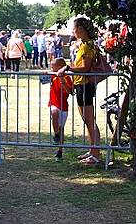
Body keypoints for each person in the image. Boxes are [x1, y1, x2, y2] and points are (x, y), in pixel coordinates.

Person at [57, 17, 101, 165]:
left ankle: (96, 154)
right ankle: (92, 150)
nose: (73, 31)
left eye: (74, 28)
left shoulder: (88, 46)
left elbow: (85, 68)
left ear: (81, 29)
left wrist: (68, 68)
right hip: (80, 85)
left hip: (85, 86)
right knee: (87, 120)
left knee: (90, 120)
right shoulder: (84, 44)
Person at [47, 58, 74, 160]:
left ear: (59, 67)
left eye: (52, 67)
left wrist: (62, 80)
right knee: (54, 113)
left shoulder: (67, 78)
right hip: (54, 103)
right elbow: (44, 77)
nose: (51, 68)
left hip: (63, 105)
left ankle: (60, 150)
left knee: (61, 128)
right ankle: (56, 135)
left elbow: (70, 91)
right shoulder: (53, 75)